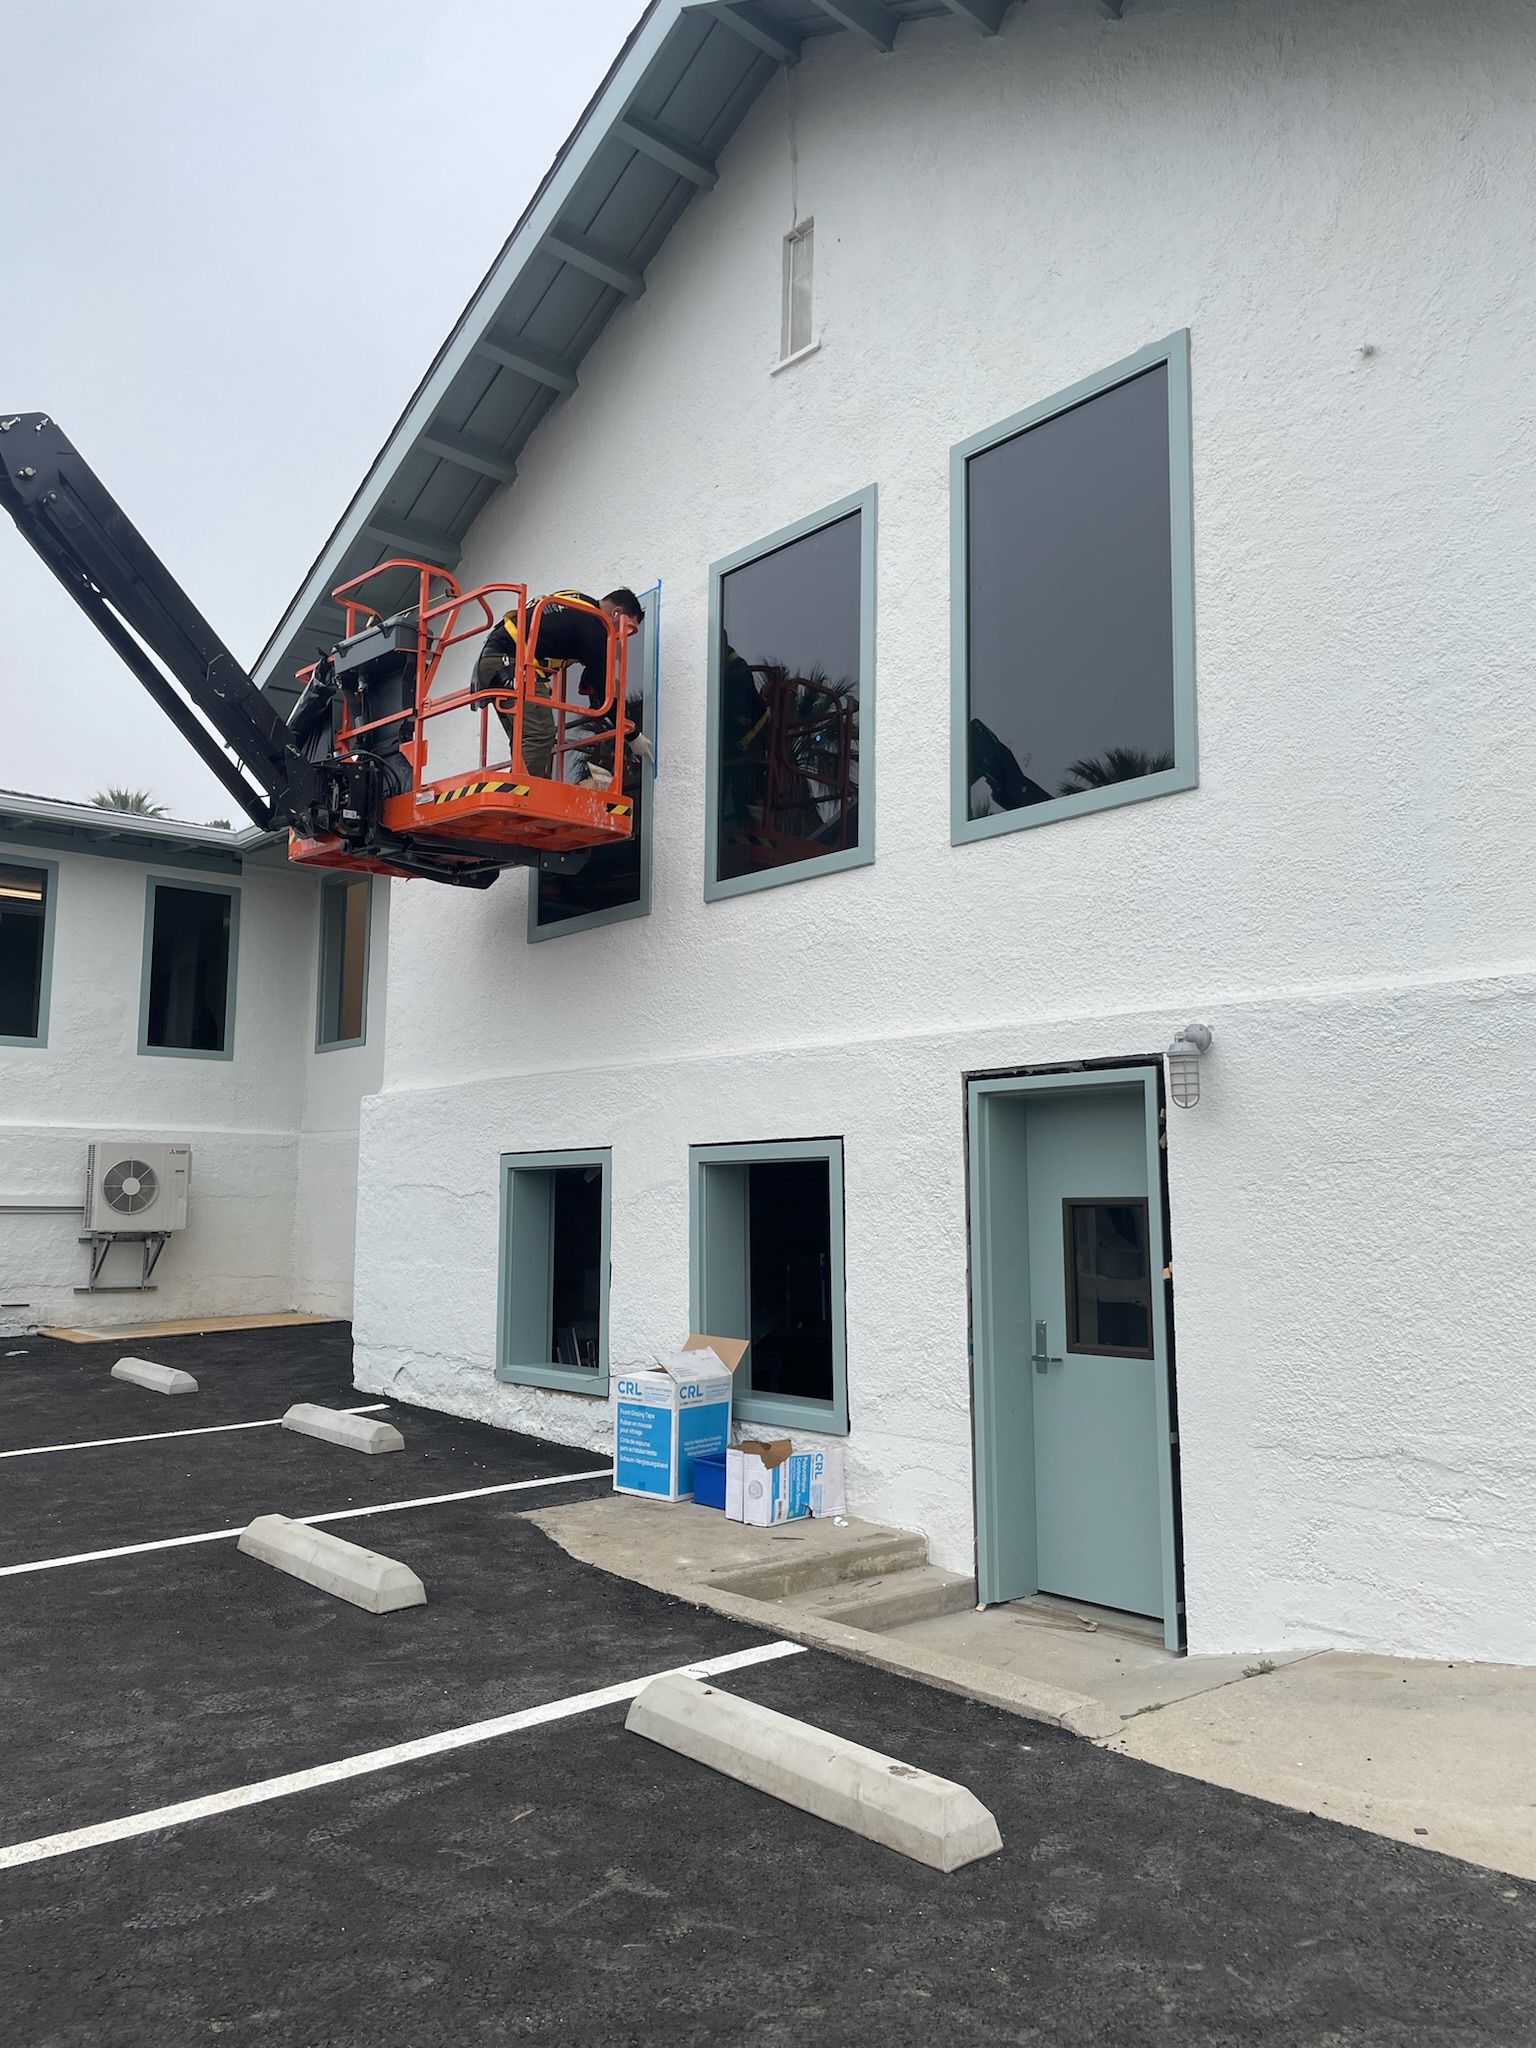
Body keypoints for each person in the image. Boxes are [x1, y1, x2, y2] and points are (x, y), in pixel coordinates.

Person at [475, 587, 644, 779]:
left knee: (526, 736)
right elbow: (602, 683)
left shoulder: (578, 607)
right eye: (628, 628)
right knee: (539, 734)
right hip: (510, 664)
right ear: (616, 614)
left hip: (496, 663)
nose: (624, 635)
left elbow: (592, 669)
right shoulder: (593, 623)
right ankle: (521, 791)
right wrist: (632, 733)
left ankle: (521, 786)